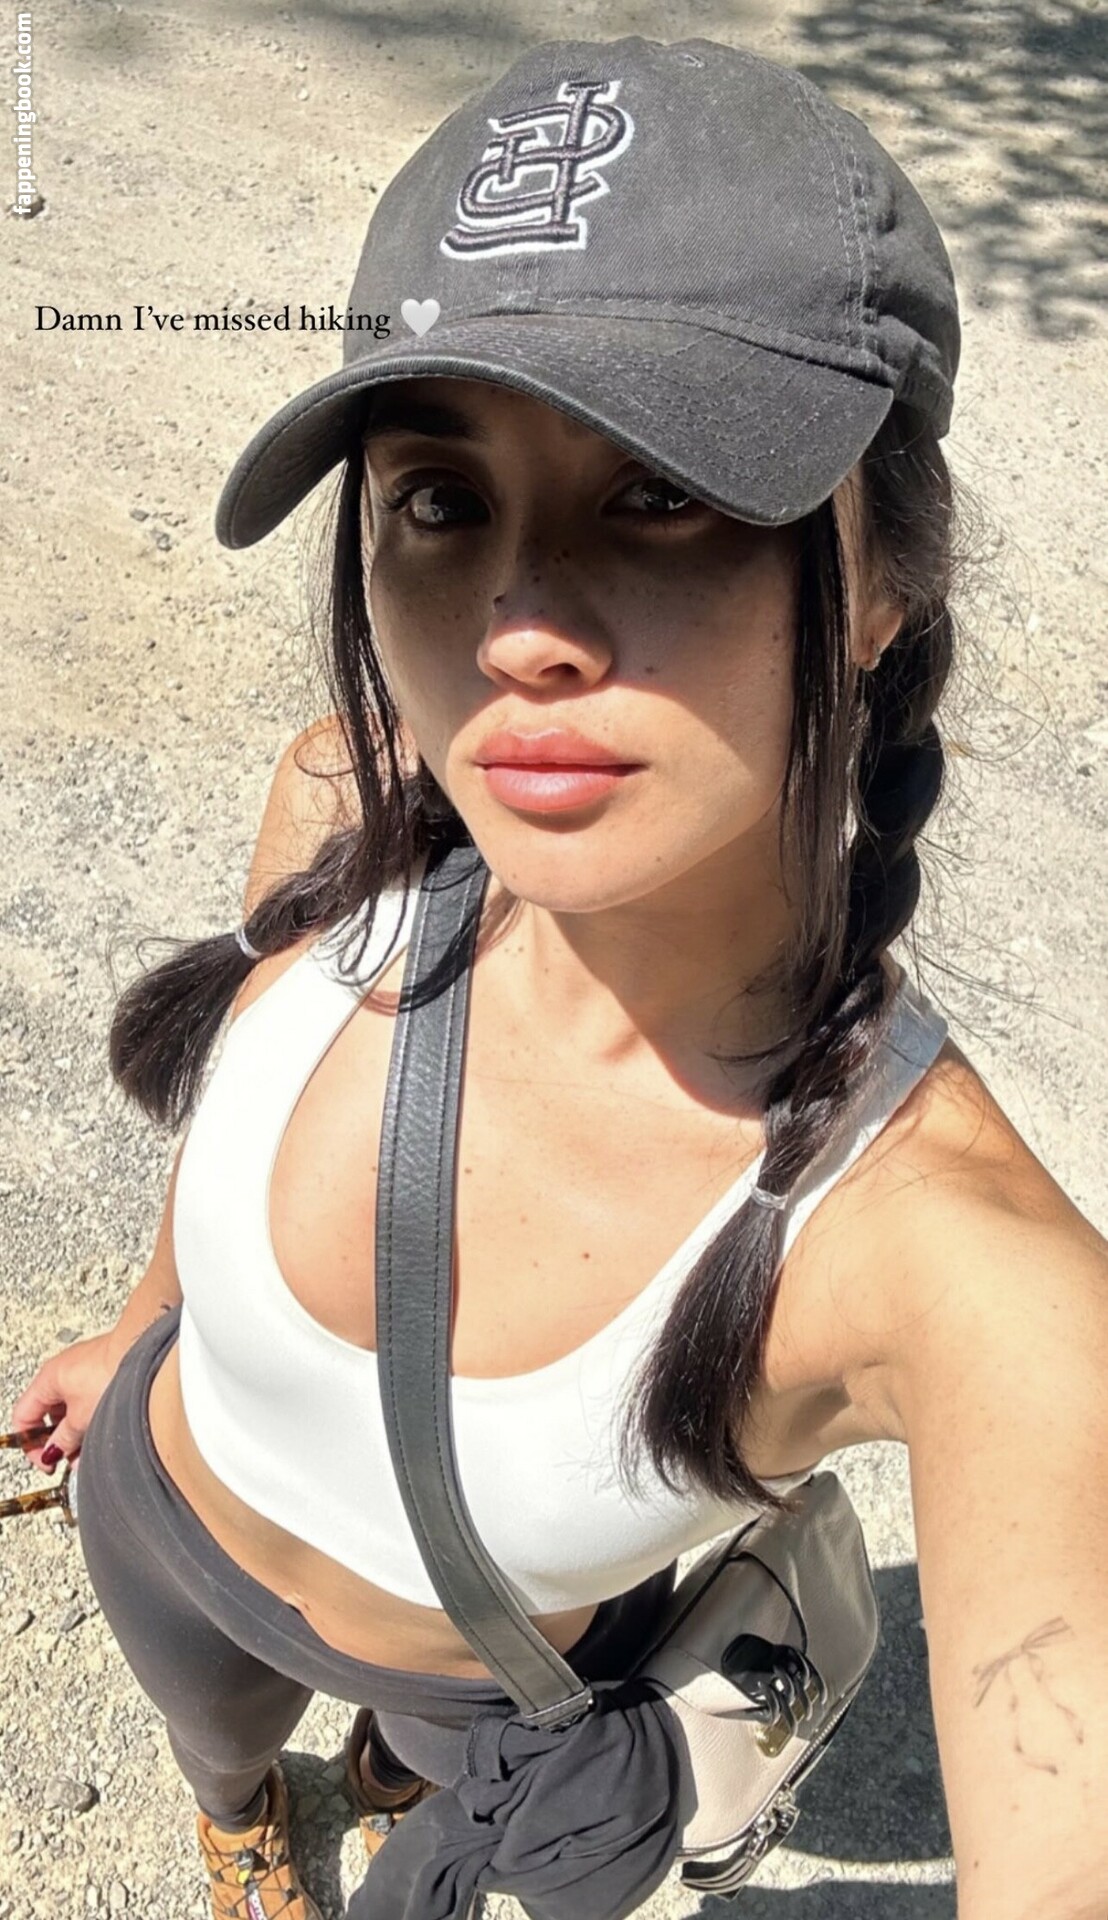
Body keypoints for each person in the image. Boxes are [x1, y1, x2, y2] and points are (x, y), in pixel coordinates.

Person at [10, 32, 1107, 1920]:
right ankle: (239, 1819)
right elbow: (222, 1142)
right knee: (215, 1738)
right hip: (159, 1515)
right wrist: (136, 1329)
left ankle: (366, 1770)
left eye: (661, 492)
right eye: (442, 501)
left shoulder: (954, 1269)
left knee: (407, 1752)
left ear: (881, 583)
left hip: (479, 1690)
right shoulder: (338, 808)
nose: (519, 628)